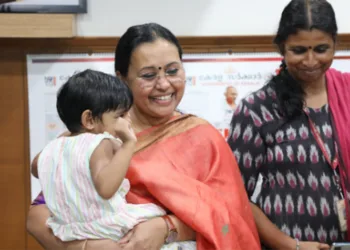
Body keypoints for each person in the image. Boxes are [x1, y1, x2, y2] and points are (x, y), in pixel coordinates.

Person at [27, 23, 260, 250]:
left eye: (172, 71)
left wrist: (167, 227)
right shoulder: (91, 135)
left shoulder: (203, 137)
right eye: (148, 75)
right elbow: (38, 215)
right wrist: (89, 245)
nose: (164, 84)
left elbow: (232, 217)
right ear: (122, 79)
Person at [228, 0, 350, 249]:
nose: (310, 60)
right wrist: (289, 244)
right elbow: (234, 194)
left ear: (336, 45)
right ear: (282, 47)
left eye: (321, 48)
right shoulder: (256, 109)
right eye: (299, 50)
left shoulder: (347, 94)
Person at [30, 69, 196, 250]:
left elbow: (37, 167)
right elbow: (106, 188)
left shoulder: (56, 146)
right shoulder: (102, 143)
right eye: (120, 115)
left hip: (70, 229)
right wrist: (128, 144)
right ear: (89, 119)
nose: (128, 120)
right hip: (108, 226)